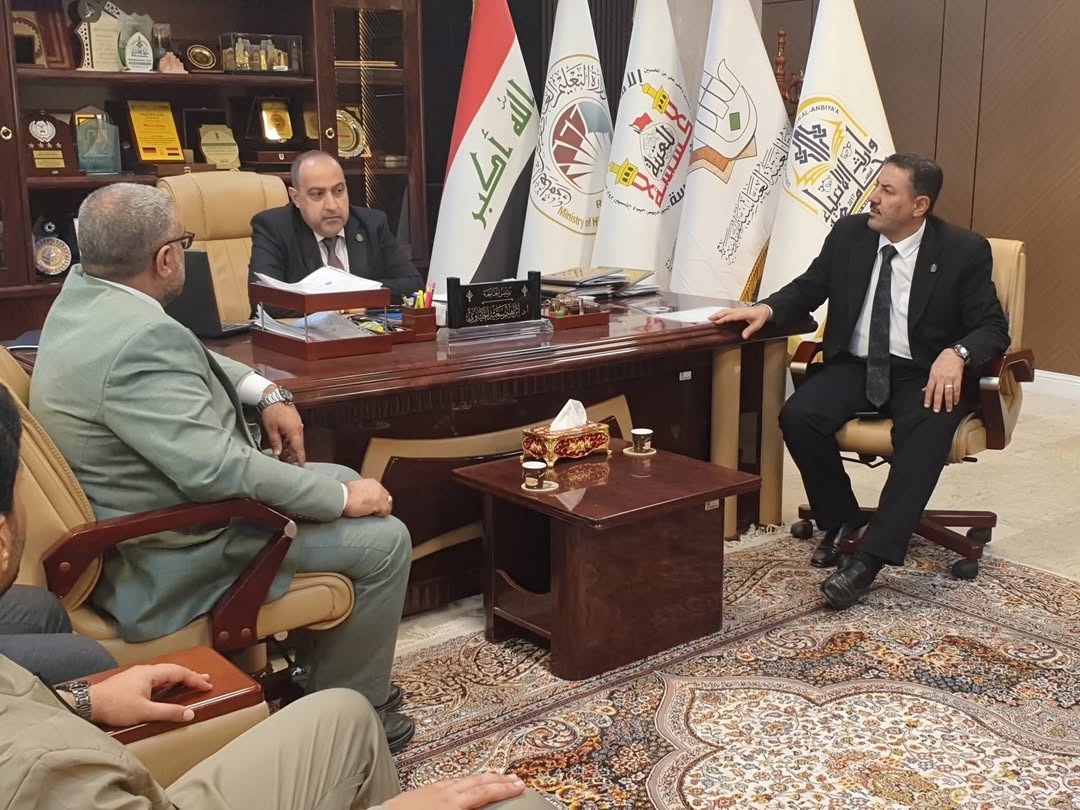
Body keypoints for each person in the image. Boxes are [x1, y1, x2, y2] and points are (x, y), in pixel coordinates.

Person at [0, 384, 552, 810]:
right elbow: (217, 467)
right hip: (177, 549)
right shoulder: (41, 769)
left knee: (344, 713)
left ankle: (357, 697)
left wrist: (79, 700)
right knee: (519, 803)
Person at [29, 183, 415, 752]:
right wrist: (338, 502)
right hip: (172, 552)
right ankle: (355, 718)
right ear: (166, 258)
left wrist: (266, 390)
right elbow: (217, 471)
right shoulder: (140, 341)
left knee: (339, 475)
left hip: (152, 513)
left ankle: (321, 677)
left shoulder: (85, 298)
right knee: (384, 538)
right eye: (184, 242)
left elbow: (188, 352)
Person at [710, 154, 1010, 610]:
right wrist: (766, 309)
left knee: (927, 429)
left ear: (920, 205)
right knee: (799, 416)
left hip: (922, 372)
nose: (874, 197)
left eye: (888, 191)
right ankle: (843, 520)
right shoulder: (851, 234)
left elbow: (992, 327)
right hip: (856, 365)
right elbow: (809, 287)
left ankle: (869, 560)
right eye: (876, 186)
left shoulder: (962, 250)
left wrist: (958, 353)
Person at [249, 151, 424, 304]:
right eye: (317, 194)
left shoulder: (372, 224)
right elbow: (264, 299)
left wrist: (356, 297)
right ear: (296, 198)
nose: (332, 206)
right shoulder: (274, 228)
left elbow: (413, 285)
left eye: (338, 191)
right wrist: (342, 303)